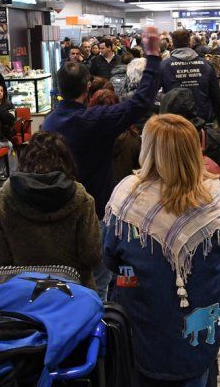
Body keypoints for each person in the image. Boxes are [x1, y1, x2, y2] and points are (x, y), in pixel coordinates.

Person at [103, 114, 220, 387]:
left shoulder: (127, 197)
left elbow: (110, 255)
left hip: (143, 326)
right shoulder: (214, 195)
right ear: (195, 147)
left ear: (148, 149)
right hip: (199, 314)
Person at [42, 26, 163, 298]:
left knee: (68, 279)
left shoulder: (49, 123)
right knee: (98, 281)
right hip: (95, 214)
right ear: (87, 87)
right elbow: (141, 102)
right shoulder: (93, 122)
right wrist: (153, 57)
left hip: (59, 213)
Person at [0, 131, 101, 289]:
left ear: (25, 159)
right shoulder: (82, 200)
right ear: (67, 161)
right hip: (76, 293)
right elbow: (91, 256)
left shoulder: (0, 201)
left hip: (22, 292)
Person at [160, 29, 220, 126]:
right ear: (189, 43)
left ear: (172, 44)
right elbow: (216, 95)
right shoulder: (206, 65)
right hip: (202, 121)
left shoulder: (164, 66)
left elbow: (155, 95)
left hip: (174, 122)